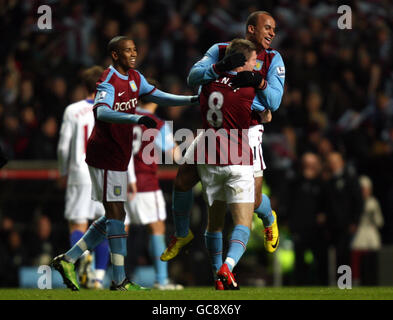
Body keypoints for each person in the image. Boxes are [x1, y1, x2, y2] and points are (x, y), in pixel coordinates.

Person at [51, 36, 198, 291]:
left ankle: (68, 259)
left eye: (134, 49)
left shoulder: (136, 78)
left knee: (113, 216)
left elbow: (159, 96)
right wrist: (135, 119)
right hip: (104, 154)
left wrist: (190, 100)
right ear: (115, 55)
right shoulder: (108, 80)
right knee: (117, 215)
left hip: (120, 156)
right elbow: (102, 111)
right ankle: (118, 279)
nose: (133, 53)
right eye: (127, 50)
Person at [161, 11, 284, 262]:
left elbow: (275, 102)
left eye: (274, 30)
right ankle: (182, 234)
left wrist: (258, 83)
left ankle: (268, 215)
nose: (272, 33)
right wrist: (221, 67)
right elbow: (193, 78)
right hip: (214, 128)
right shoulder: (220, 50)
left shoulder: (273, 58)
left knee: (254, 199)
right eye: (268, 28)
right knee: (183, 180)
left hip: (247, 132)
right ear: (251, 29)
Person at [194, 39, 266, 289]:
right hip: (237, 160)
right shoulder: (247, 90)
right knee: (242, 224)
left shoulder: (205, 83)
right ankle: (228, 266)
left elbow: (193, 78)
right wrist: (261, 83)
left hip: (209, 159)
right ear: (241, 62)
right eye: (253, 61)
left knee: (214, 223)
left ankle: (217, 276)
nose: (256, 65)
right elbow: (267, 113)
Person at [124, 90, 183, 290]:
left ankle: (114, 277)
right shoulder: (157, 123)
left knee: (120, 230)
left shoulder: (124, 118)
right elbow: (175, 155)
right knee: (157, 228)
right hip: (146, 183)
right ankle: (162, 280)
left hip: (120, 181)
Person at [57, 65, 109, 289]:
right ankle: (98, 278)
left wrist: (62, 171)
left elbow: (62, 147)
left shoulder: (72, 110)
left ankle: (81, 260)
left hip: (80, 170)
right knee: (103, 225)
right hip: (105, 171)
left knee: (77, 222)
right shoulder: (111, 109)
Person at [287, 152, 329, 285]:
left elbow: (329, 203)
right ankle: (299, 286)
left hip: (318, 230)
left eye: (312, 164)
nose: (309, 167)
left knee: (321, 259)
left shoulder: (323, 183)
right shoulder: (295, 182)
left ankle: (323, 285)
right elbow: (289, 203)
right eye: (306, 164)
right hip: (300, 228)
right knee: (299, 260)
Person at [324, 152, 363, 272]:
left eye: (335, 162)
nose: (333, 165)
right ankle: (336, 283)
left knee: (344, 254)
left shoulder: (350, 179)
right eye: (331, 162)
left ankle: (344, 283)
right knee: (335, 255)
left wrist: (355, 221)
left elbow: (358, 201)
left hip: (346, 224)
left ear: (342, 162)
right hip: (332, 225)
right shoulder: (328, 181)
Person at [351, 175, 384, 285]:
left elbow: (380, 222)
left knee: (371, 264)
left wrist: (372, 213)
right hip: (358, 235)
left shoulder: (373, 202)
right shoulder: (355, 202)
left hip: (371, 235)